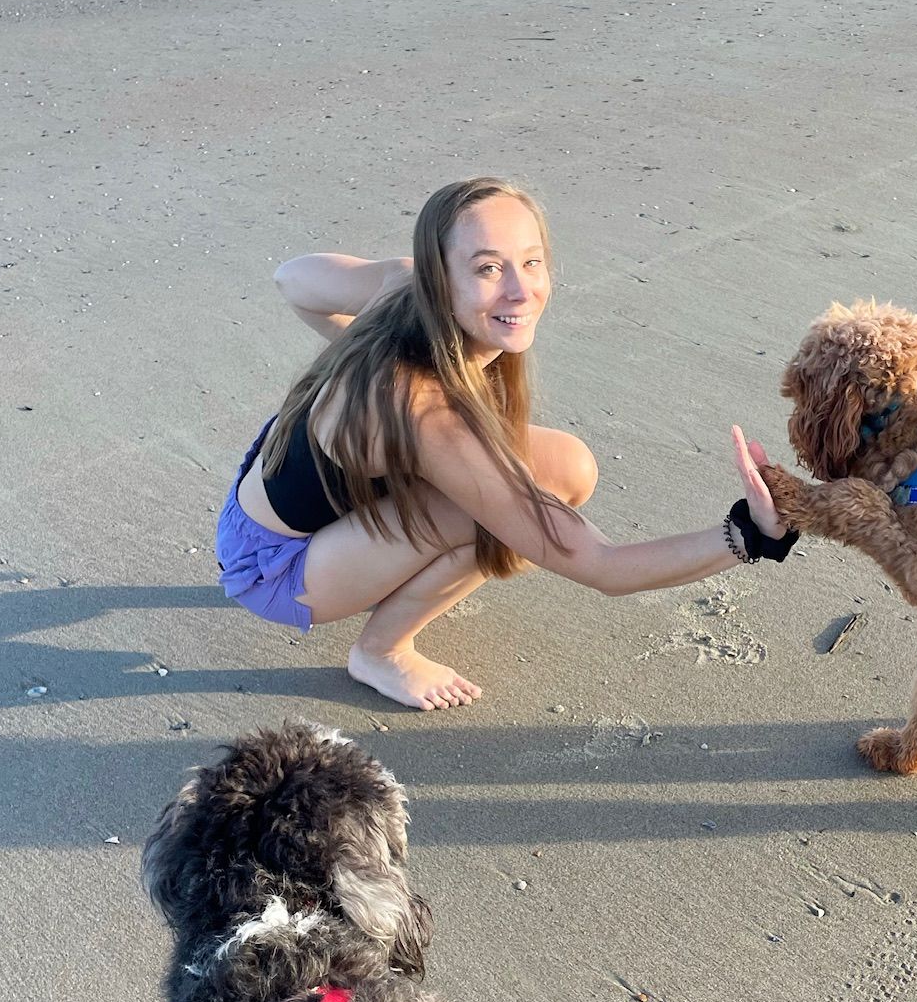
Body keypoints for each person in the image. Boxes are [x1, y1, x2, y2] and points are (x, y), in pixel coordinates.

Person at [216, 176, 796, 709]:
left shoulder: (401, 286)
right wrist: (751, 533)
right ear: (439, 278)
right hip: (276, 568)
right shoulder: (426, 415)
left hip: (262, 498)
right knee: (490, 512)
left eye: (531, 262)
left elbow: (293, 278)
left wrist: (353, 353)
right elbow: (604, 566)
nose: (521, 290)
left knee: (569, 467)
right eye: (489, 268)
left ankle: (376, 569)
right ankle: (381, 652)